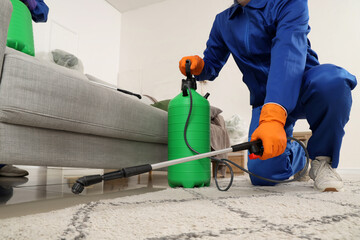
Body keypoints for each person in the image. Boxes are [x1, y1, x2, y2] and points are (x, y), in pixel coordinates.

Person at [179, 0, 357, 192]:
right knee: (262, 174)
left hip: (303, 87)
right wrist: (200, 67)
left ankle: (322, 160)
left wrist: (274, 115)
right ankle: (301, 154)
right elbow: (212, 65)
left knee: (333, 83)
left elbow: (287, 52)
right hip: (264, 101)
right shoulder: (223, 22)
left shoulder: (289, 2)